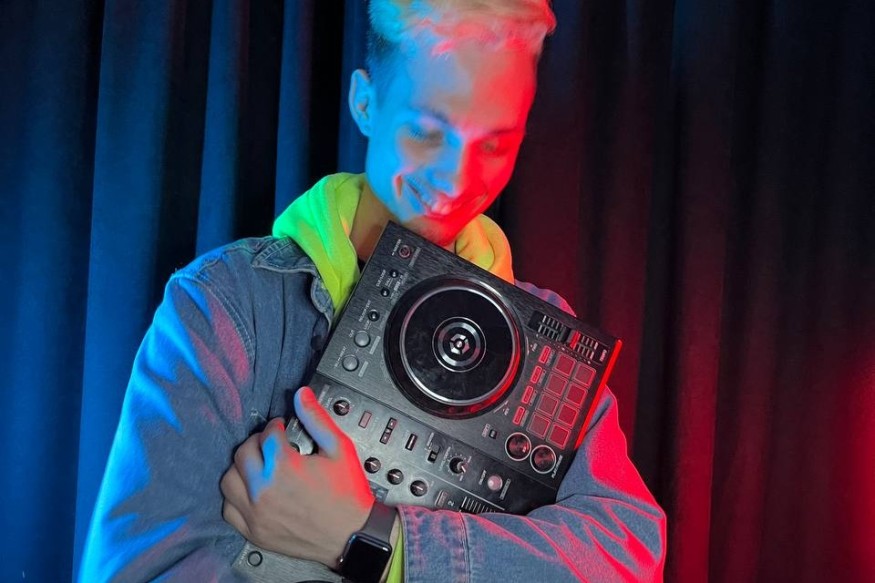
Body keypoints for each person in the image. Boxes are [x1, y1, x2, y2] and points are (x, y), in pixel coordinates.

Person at [80, 1, 667, 581]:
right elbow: (139, 570)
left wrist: (374, 538)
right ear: (364, 103)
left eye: (494, 144)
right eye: (427, 132)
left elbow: (627, 554)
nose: (457, 178)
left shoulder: (549, 337)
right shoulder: (228, 303)